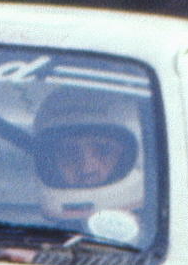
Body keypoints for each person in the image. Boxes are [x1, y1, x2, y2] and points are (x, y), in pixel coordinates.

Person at [32, 87, 146, 241]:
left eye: (104, 150)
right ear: (49, 162)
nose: (87, 169)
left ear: (136, 157)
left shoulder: (170, 240)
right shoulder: (31, 242)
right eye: (68, 153)